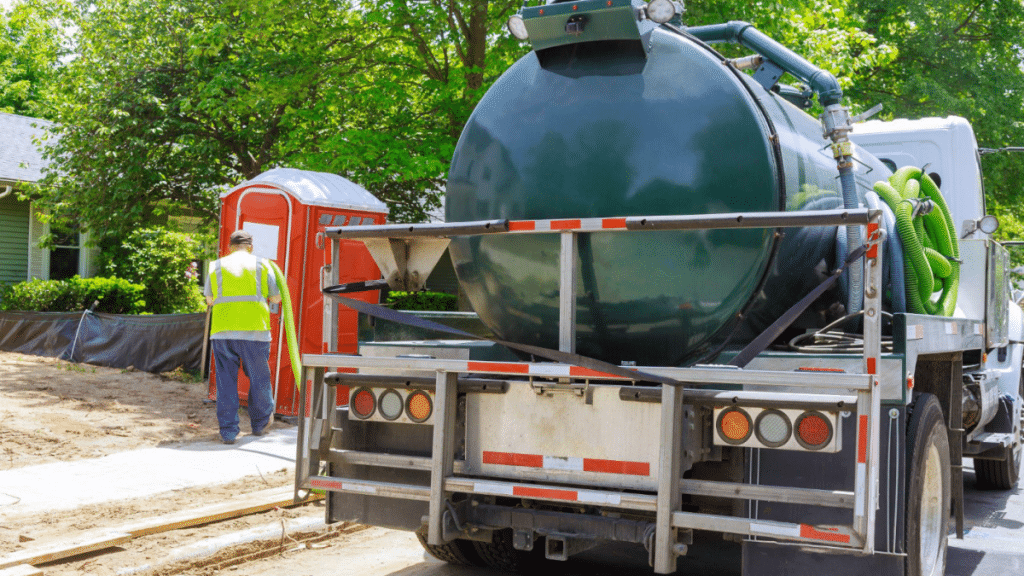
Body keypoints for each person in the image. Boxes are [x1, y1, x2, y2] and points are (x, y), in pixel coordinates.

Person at [205, 230, 281, 444]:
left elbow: (210, 300)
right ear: (250, 246)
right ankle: (260, 424)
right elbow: (276, 297)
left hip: (222, 332)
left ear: (229, 247)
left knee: (225, 382)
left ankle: (228, 432)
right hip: (254, 331)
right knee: (258, 379)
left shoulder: (216, 266)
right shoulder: (263, 265)